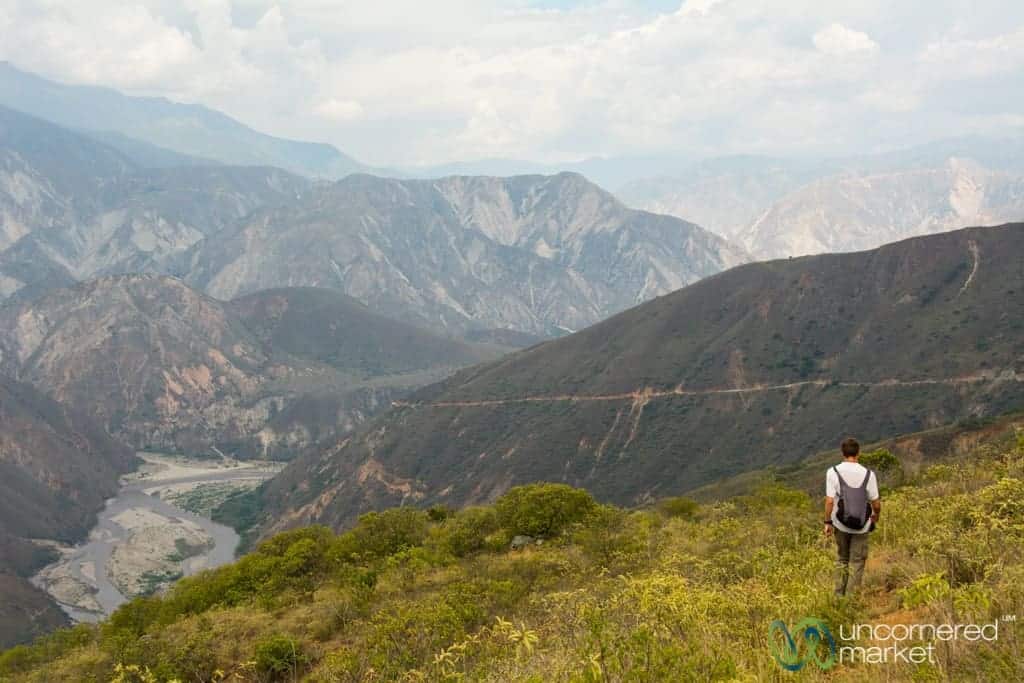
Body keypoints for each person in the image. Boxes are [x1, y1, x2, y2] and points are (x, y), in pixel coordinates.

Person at [824, 437, 881, 597]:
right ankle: (851, 600)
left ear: (842, 453)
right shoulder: (869, 474)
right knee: (857, 562)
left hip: (840, 524)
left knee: (842, 559)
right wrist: (875, 517)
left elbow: (829, 501)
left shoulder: (832, 472)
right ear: (859, 453)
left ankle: (838, 597)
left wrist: (827, 522)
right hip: (862, 526)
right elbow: (876, 504)